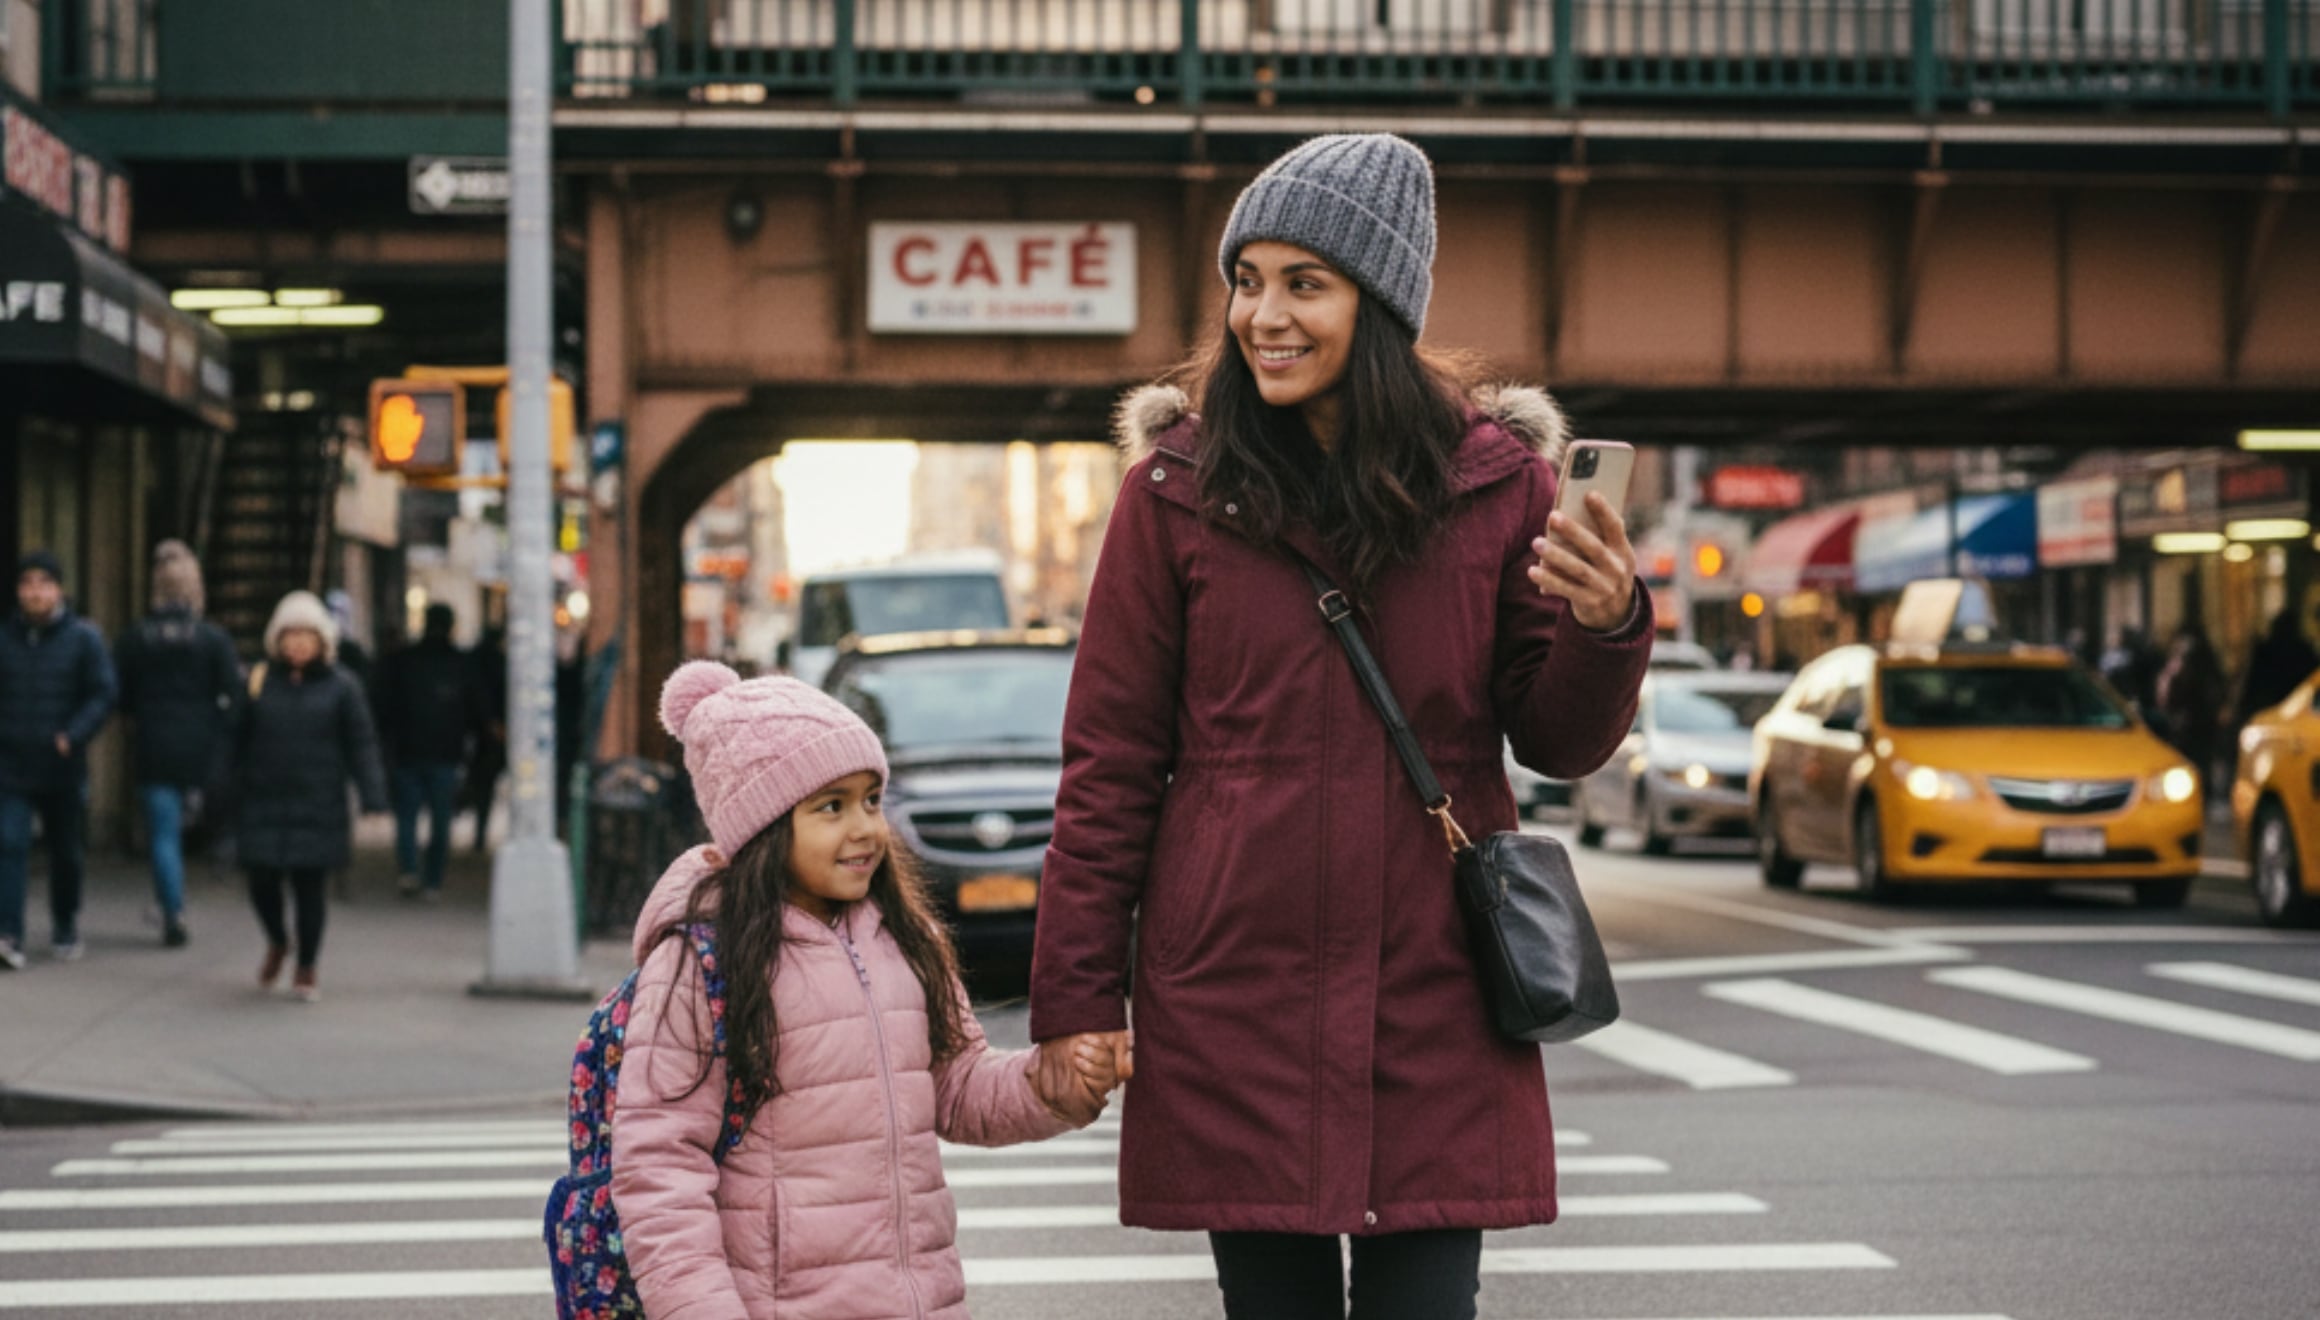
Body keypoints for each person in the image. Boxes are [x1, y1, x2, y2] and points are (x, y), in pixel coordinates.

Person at [1028, 134, 1652, 1320]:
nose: (1263, 315)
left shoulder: (1499, 487)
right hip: (1231, 1002)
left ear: (1380, 305)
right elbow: (1107, 768)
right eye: (1247, 280)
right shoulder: (1173, 492)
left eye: (1303, 283)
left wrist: (1606, 619)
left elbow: (1559, 741)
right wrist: (1073, 1002)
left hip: (1437, 995)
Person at [612, 661, 1119, 1317]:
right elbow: (659, 1169)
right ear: (762, 826)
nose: (867, 828)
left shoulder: (907, 940)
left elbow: (956, 1087)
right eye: (832, 807)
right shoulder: (702, 962)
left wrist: (1048, 1087)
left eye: (871, 800)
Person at [235, 591, 387, 1002]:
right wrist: (219, 789)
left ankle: (306, 967)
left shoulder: (343, 686)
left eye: (307, 634)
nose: (298, 643)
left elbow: (362, 742)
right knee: (260, 882)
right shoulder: (257, 680)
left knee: (309, 889)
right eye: (290, 634)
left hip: (319, 802)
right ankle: (278, 940)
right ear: (277, 639)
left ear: (323, 640)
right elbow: (233, 739)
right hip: (263, 799)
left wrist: (373, 794)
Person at [113, 541, 242, 947]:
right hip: (201, 742)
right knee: (201, 822)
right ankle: (180, 893)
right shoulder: (212, 638)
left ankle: (172, 907)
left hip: (153, 740)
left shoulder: (136, 637)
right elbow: (234, 693)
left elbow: (120, 694)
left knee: (163, 834)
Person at [0, 551, 117, 969]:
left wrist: (75, 734)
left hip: (61, 763)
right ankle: (8, 932)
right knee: (9, 845)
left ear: (58, 589)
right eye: (27, 583)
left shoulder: (83, 638)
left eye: (43, 583)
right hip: (11, 763)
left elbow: (103, 692)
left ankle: (65, 922)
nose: (35, 592)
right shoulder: (6, 637)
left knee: (66, 850)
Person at [372, 603, 482, 899]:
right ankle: (432, 879)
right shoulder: (460, 664)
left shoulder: (404, 660)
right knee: (440, 821)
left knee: (407, 818)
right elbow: (475, 710)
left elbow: (384, 706)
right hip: (445, 753)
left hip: (408, 751)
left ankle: (409, 871)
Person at [2156, 623, 2225, 791]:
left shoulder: (2181, 660)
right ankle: (2203, 789)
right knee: (2202, 759)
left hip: (2187, 719)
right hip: (2202, 719)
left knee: (2188, 759)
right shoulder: (2207, 657)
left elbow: (2168, 694)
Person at [2233, 605, 2320, 727]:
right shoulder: (2303, 653)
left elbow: (2252, 687)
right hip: (2295, 718)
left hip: (2268, 715)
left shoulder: (2265, 651)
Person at [462, 625, 508, 854]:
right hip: (491, 731)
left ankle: (480, 831)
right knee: (485, 784)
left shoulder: (473, 661)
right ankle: (481, 830)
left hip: (482, 731)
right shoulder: (498, 662)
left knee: (483, 785)